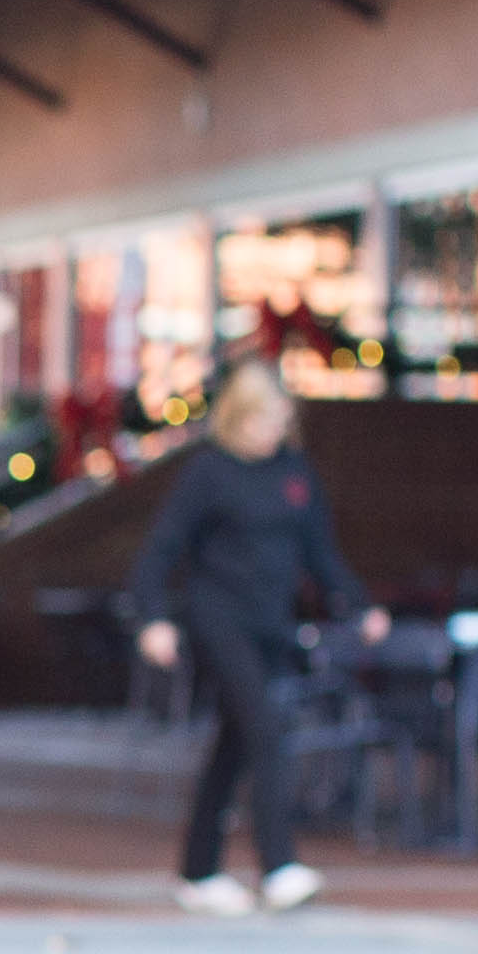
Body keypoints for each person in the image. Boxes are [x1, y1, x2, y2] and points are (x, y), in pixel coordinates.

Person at [128, 355, 390, 914]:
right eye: (259, 421)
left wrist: (358, 604)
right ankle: (278, 866)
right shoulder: (208, 473)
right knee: (270, 728)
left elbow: (320, 552)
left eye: (278, 420)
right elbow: (160, 552)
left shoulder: (295, 473)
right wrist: (152, 618)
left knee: (235, 742)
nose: (270, 431)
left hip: (270, 623)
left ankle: (198, 871)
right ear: (237, 419)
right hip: (217, 619)